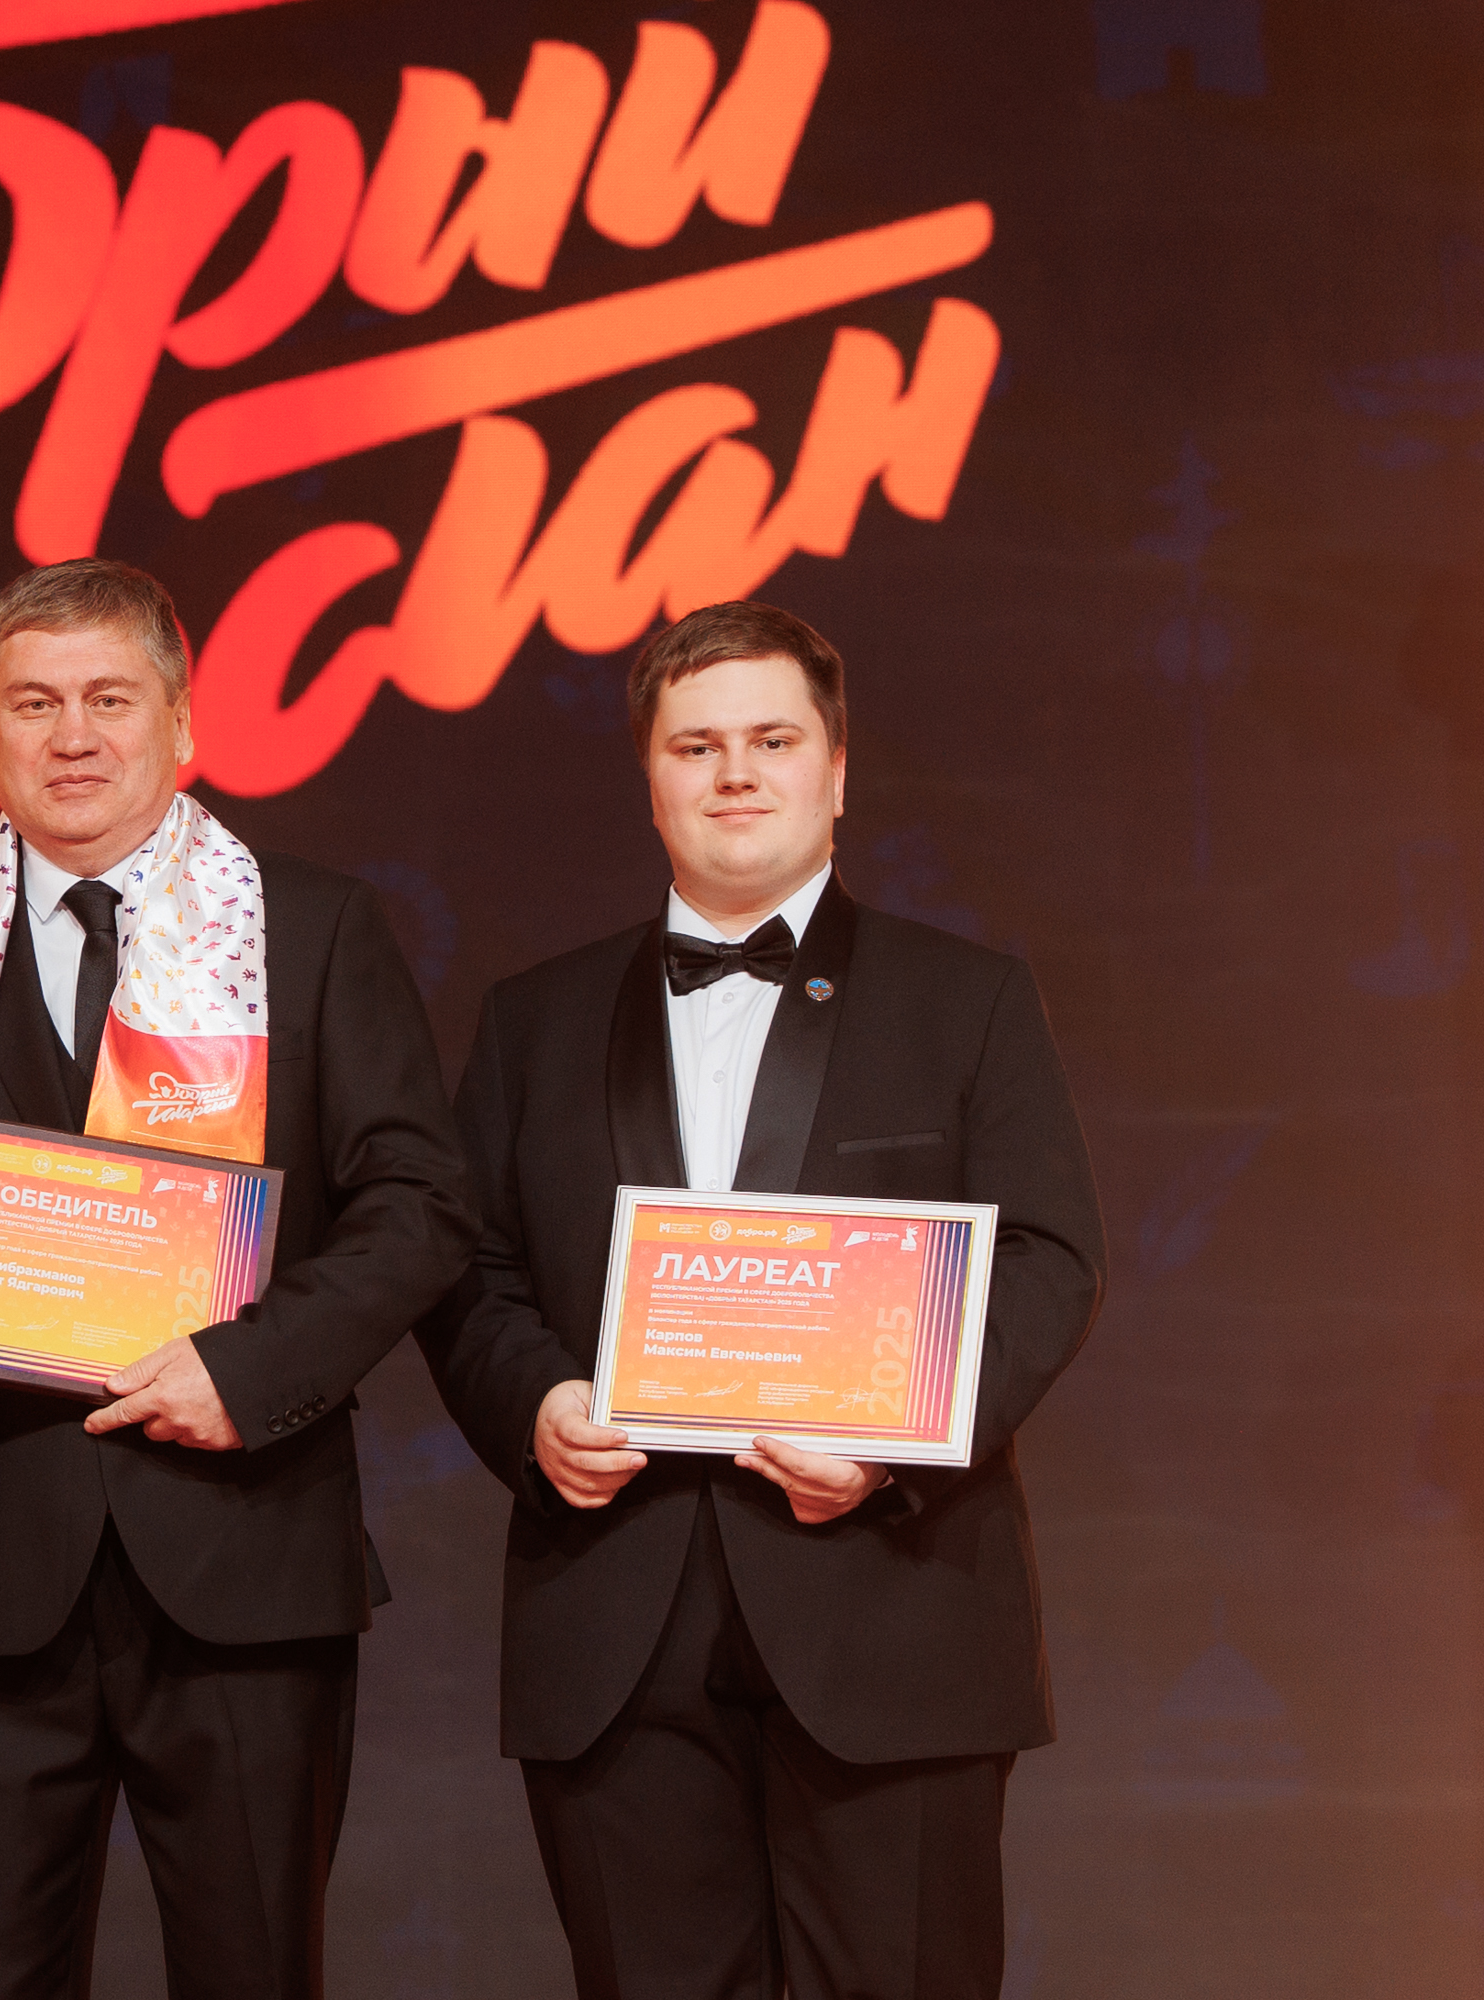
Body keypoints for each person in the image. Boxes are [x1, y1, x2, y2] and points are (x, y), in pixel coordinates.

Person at [416, 600, 1107, 1999]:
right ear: (651, 779)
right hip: (618, 1628)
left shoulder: (967, 999)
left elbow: (1048, 1259)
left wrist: (895, 1442)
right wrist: (536, 1403)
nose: (735, 771)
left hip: (892, 1612)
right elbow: (468, 1267)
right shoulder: (534, 1018)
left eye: (774, 740)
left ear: (837, 772)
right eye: (696, 745)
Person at [0, 558, 472, 2000]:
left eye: (110, 699)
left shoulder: (309, 928)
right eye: (33, 703)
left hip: (244, 1564)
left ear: (180, 724)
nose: (73, 736)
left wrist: (248, 1370)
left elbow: (421, 1207)